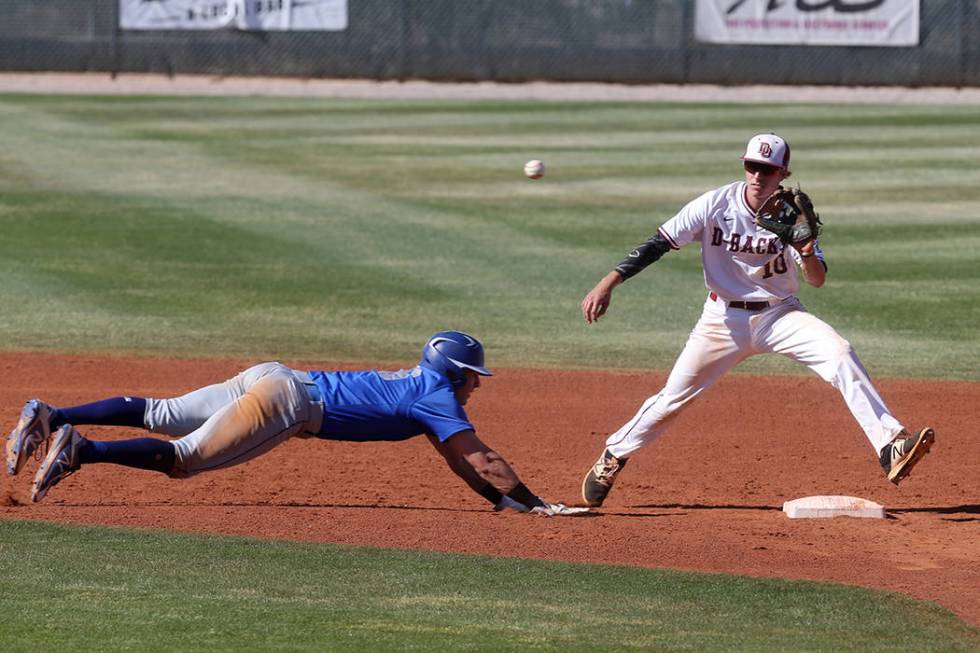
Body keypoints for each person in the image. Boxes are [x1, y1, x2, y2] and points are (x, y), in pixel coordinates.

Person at [578, 133, 935, 507]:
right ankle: (613, 456)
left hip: (780, 314)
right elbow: (659, 242)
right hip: (721, 320)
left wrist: (807, 247)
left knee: (840, 353)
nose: (757, 176)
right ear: (744, 166)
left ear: (782, 172)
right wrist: (609, 282)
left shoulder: (791, 213)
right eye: (752, 166)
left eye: (767, 169)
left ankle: (891, 446)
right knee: (673, 398)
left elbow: (817, 279)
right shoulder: (714, 204)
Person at [6, 330, 583, 516]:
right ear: (454, 373)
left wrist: (504, 502)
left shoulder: (424, 392)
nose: (477, 383)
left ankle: (52, 415)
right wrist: (536, 504)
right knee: (185, 459)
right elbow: (479, 458)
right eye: (473, 375)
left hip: (275, 376)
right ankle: (81, 449)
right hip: (286, 405)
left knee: (163, 413)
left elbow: (461, 463)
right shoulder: (438, 399)